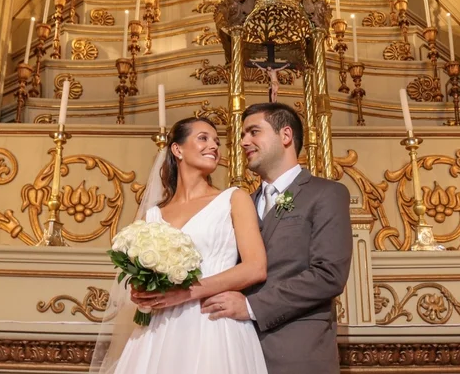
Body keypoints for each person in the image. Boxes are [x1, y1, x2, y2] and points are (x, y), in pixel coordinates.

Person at [92, 117, 268, 373]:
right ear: (177, 149)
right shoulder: (153, 215)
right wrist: (143, 293)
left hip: (213, 324)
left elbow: (255, 268)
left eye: (217, 142)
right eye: (203, 138)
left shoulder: (233, 199)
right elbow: (143, 277)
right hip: (159, 331)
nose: (214, 146)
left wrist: (187, 293)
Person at [201, 103, 353, 374]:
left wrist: (251, 306)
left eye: (253, 132)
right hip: (235, 350)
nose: (243, 142)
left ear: (285, 135)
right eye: (243, 135)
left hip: (297, 352)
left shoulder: (326, 194)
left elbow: (328, 275)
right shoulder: (241, 204)